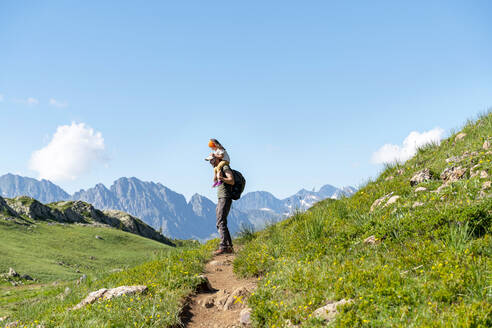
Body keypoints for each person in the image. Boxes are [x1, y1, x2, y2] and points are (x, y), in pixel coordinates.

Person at [209, 156, 235, 255]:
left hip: (225, 197)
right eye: (209, 161)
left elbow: (231, 180)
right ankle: (229, 247)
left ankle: (224, 246)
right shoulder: (219, 169)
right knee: (220, 222)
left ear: (218, 159)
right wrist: (216, 173)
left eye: (212, 160)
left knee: (221, 221)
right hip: (221, 197)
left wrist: (222, 178)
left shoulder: (225, 167)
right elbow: (215, 181)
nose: (210, 163)